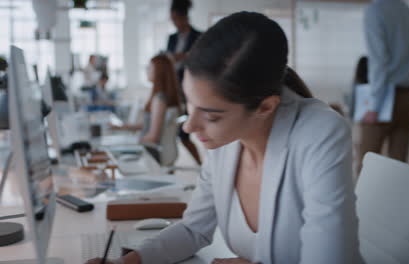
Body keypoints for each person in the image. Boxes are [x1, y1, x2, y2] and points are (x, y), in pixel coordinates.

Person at [86, 12, 362, 264]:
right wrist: (125, 263)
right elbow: (193, 230)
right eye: (190, 104)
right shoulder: (226, 141)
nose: (189, 127)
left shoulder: (320, 133)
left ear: (266, 107)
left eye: (211, 116)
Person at [357, 0, 409, 173]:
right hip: (407, 97)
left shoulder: (375, 10)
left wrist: (374, 105)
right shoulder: (407, 11)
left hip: (384, 99)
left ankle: (366, 202)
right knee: (399, 169)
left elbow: (379, 60)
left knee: (366, 168)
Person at [112, 55, 182, 147]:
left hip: (148, 149)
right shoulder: (163, 96)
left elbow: (153, 137)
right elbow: (150, 125)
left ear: (158, 72)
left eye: (149, 68)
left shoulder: (159, 99)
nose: (146, 71)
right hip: (149, 147)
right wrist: (123, 127)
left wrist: (129, 143)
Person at [167, 0, 202, 165]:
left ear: (184, 17)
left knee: (183, 133)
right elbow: (167, 61)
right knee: (172, 132)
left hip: (192, 90)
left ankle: (201, 165)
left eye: (176, 18)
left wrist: (186, 56)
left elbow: (203, 62)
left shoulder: (199, 36)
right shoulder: (172, 38)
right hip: (174, 89)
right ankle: (169, 165)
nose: (174, 22)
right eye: (172, 19)